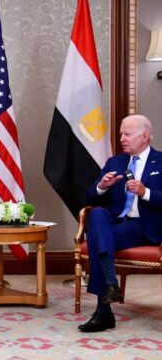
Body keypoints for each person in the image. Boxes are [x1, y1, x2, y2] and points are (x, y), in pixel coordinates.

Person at [79, 114, 162, 332]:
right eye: (121, 134)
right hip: (115, 222)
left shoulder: (161, 161)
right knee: (97, 215)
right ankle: (110, 283)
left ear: (144, 136)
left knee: (97, 238)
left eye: (127, 134)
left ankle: (103, 312)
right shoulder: (114, 162)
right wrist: (102, 186)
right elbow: (89, 197)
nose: (122, 138)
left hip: (143, 226)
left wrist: (145, 192)